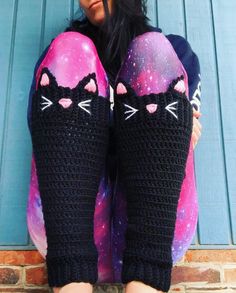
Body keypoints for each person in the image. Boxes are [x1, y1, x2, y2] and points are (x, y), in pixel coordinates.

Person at [27, 1, 202, 293]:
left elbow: (181, 142)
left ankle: (145, 283)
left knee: (153, 53)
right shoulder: (59, 57)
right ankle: (72, 282)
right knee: (70, 49)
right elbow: (47, 144)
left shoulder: (174, 53)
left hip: (153, 230)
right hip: (70, 228)